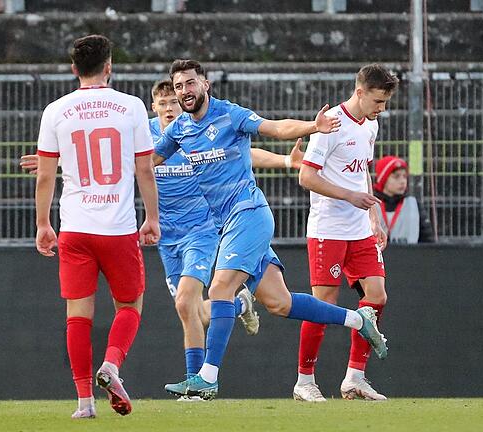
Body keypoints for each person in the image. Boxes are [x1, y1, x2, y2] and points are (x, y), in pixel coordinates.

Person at [154, 59, 388, 400]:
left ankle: (207, 377)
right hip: (229, 225)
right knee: (280, 303)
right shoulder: (179, 131)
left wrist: (312, 126)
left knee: (219, 290)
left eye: (190, 84)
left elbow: (275, 128)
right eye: (179, 87)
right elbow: (146, 161)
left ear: (205, 84)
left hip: (248, 214)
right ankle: (358, 320)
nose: (185, 91)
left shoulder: (229, 114)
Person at [149, 79, 307, 399]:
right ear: (153, 107)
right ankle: (237, 305)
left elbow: (244, 152)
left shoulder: (192, 132)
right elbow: (123, 165)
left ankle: (199, 381)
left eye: (174, 102)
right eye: (162, 103)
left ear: (183, 105)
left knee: (185, 303)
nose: (169, 108)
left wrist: (285, 161)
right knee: (193, 311)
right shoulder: (151, 139)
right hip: (168, 238)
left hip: (203, 230)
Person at [34, 35, 160, 419]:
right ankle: (112, 365)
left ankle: (84, 403)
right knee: (130, 305)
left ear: (74, 69)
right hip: (118, 227)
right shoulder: (131, 107)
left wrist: (42, 224)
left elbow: (44, 175)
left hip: (75, 228)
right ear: (109, 66)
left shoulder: (55, 110)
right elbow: (144, 168)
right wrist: (151, 218)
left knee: (78, 314)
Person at [293, 63, 398, 402]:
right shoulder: (330, 126)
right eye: (378, 101)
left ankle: (354, 378)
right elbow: (306, 177)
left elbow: (362, 171)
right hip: (328, 228)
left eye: (384, 103)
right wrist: (350, 196)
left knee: (377, 296)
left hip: (359, 229)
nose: (381, 109)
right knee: (324, 304)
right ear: (360, 92)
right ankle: (304, 381)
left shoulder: (371, 125)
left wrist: (373, 215)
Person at [372, 155, 433, 244]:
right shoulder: (370, 205)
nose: (402, 181)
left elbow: (428, 240)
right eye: (396, 177)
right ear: (383, 179)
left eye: (404, 176)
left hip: (409, 256)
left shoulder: (414, 205)